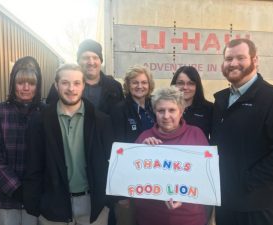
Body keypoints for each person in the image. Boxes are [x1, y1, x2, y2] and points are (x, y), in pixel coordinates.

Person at [23, 63, 113, 225]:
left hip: (93, 205)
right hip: (53, 205)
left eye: (77, 83)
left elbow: (111, 163)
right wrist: (36, 203)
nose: (71, 88)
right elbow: (33, 165)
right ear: (56, 85)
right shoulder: (39, 121)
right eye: (65, 82)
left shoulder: (102, 121)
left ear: (84, 85)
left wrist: (106, 201)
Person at [210, 38, 273, 225]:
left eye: (240, 57)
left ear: (255, 60)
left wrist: (248, 181)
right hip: (225, 202)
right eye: (228, 59)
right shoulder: (221, 100)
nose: (233, 63)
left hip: (258, 205)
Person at [134, 86, 210, 225]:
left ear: (181, 111)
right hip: (150, 217)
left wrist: (185, 195)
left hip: (189, 218)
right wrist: (141, 151)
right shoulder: (144, 137)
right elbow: (132, 177)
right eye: (161, 110)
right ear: (155, 112)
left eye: (172, 110)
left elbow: (205, 176)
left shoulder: (196, 135)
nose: (166, 116)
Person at [0, 56, 44, 225]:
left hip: (36, 194)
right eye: (20, 83)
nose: (26, 88)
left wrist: (34, 189)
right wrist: (15, 187)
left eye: (31, 84)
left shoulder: (45, 113)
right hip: (3, 195)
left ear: (37, 86)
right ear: (12, 84)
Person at [110, 65, 155, 225]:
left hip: (153, 178)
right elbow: (116, 151)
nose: (140, 86)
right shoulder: (118, 110)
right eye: (135, 82)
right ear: (128, 85)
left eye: (144, 82)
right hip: (128, 181)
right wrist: (121, 194)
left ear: (149, 85)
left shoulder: (155, 108)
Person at [46, 39, 124, 114]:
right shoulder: (62, 86)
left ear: (101, 61)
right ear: (78, 61)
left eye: (95, 58)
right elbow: (50, 115)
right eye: (86, 58)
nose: (91, 62)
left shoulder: (114, 87)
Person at [171, 66, 213, 139]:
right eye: (180, 83)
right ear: (174, 85)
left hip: (199, 150)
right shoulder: (166, 108)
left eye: (190, 83)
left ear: (197, 86)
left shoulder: (209, 109)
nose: (185, 87)